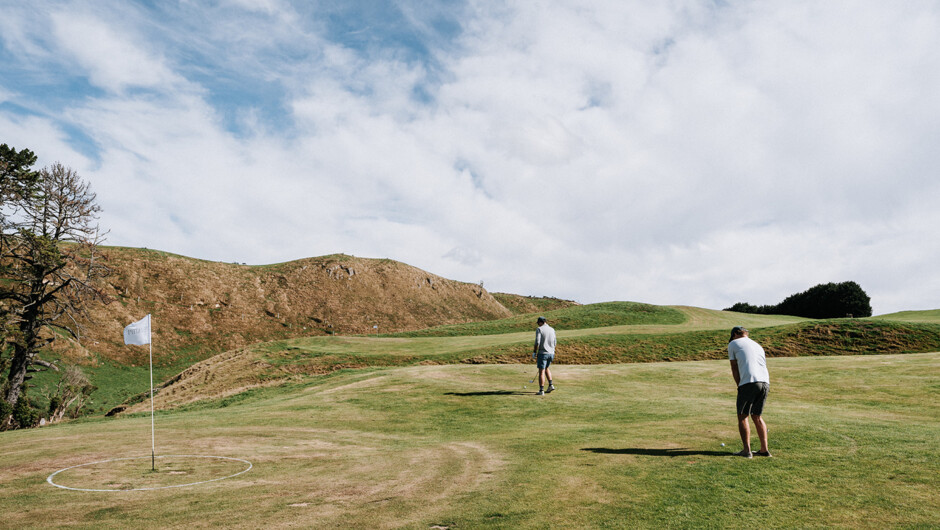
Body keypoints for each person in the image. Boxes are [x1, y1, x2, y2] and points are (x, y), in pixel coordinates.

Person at [728, 326, 771, 458]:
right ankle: (764, 450)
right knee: (757, 416)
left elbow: (734, 367)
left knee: (742, 416)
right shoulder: (757, 345)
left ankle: (747, 451)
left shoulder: (733, 343)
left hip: (749, 382)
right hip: (765, 382)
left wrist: (739, 385)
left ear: (735, 334)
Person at [532, 316, 557, 395]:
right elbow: (555, 342)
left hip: (543, 353)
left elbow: (537, 342)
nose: (538, 325)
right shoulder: (552, 329)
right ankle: (550, 385)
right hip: (551, 353)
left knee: (541, 371)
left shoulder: (539, 329)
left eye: (538, 323)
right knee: (547, 368)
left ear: (541, 322)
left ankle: (541, 390)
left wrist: (534, 352)